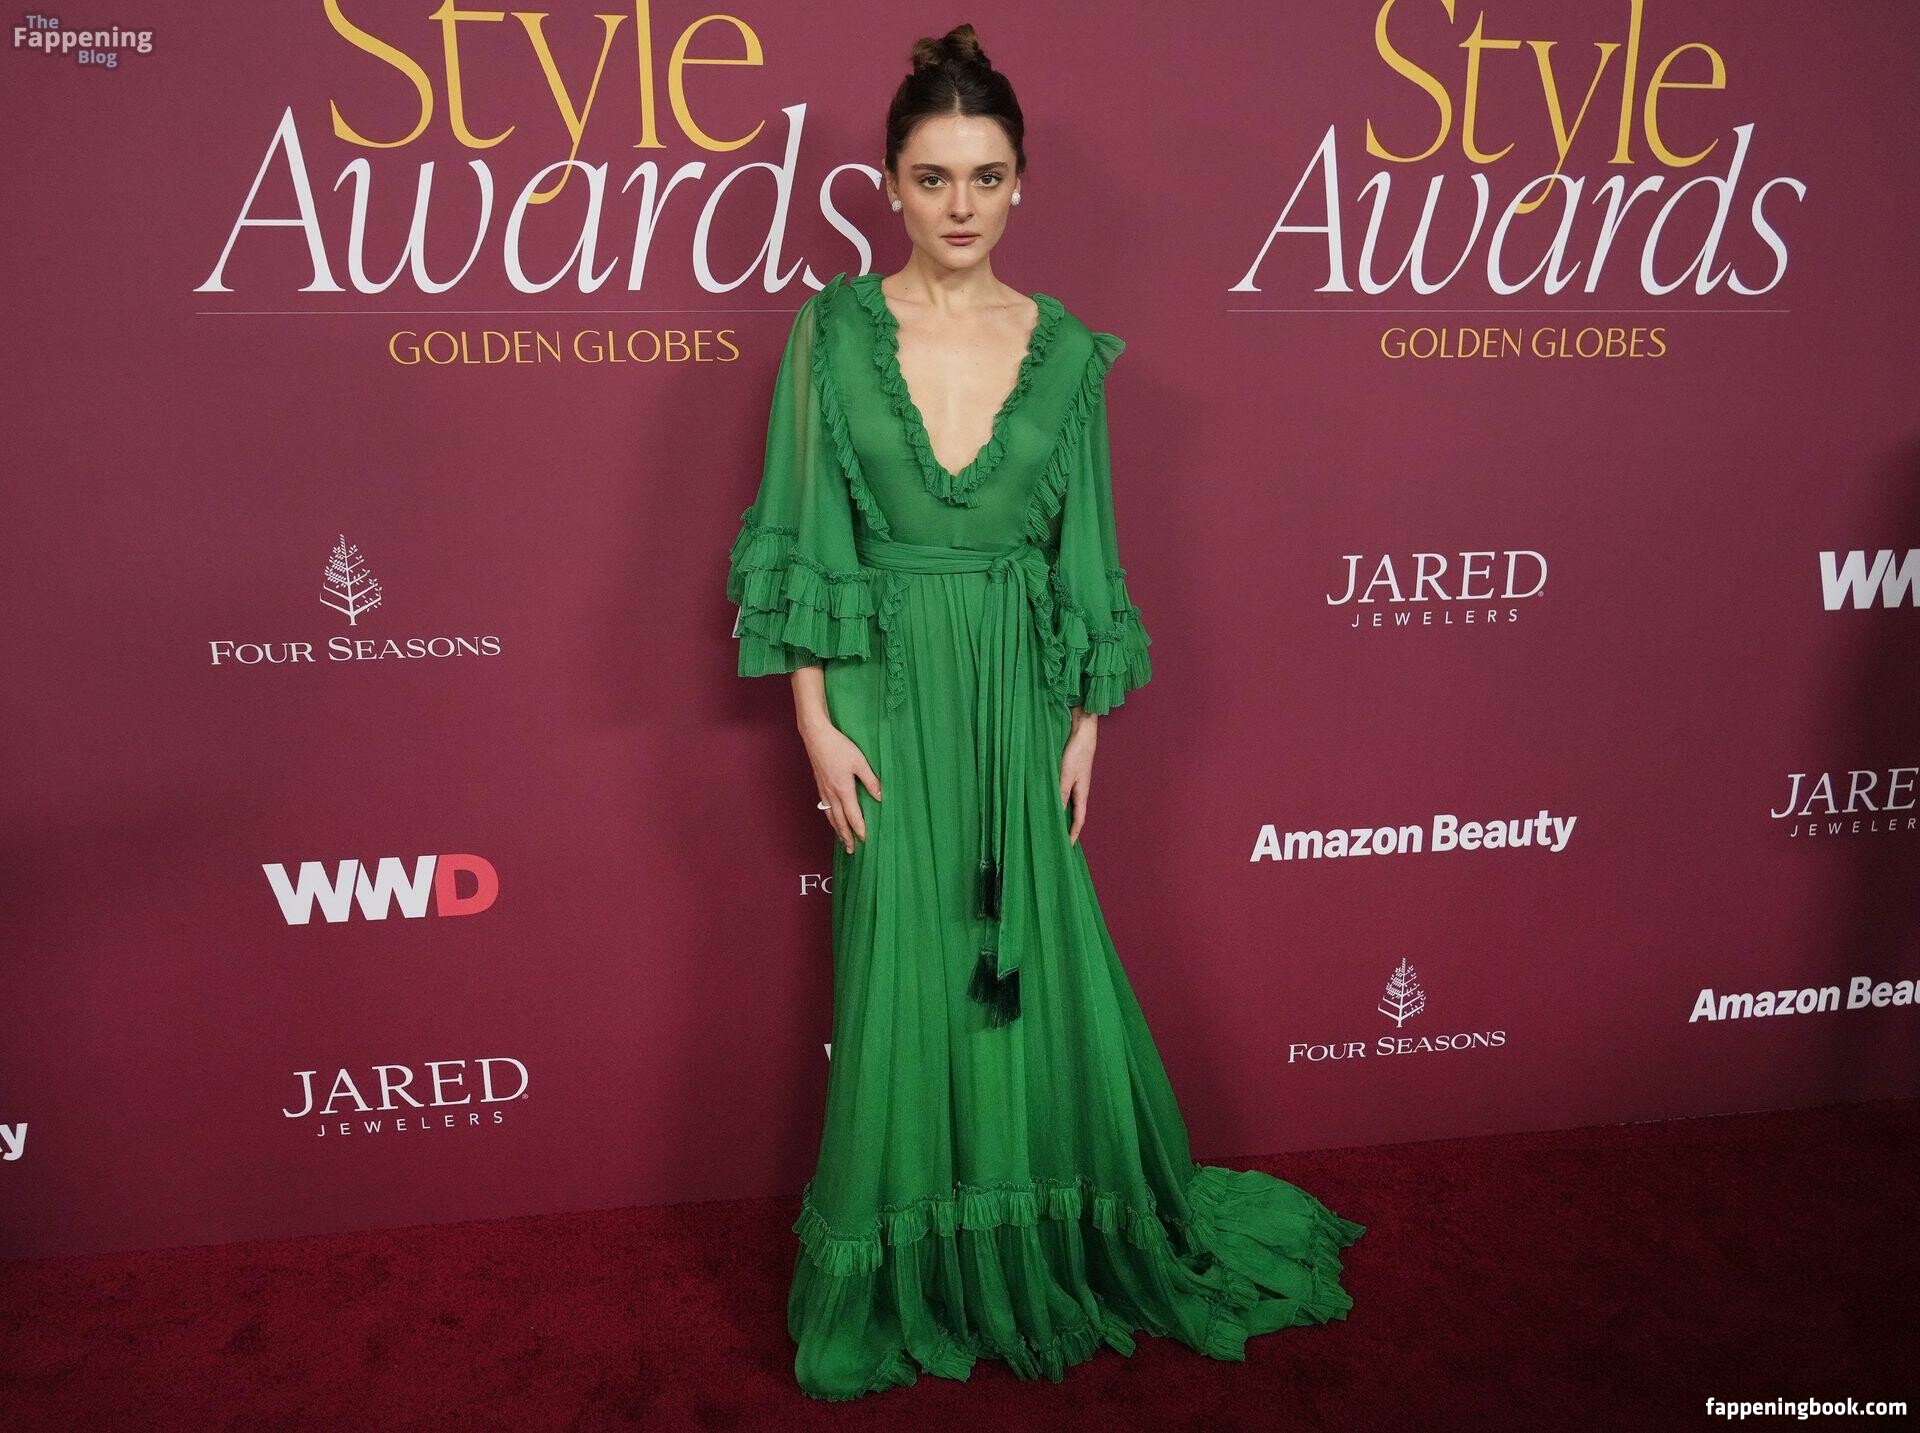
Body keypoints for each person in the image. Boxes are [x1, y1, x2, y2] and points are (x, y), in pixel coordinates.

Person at [724, 22, 1366, 1403]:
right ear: (888, 186)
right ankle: (916, 1265)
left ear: (1021, 184)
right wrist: (813, 720)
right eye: (932, 176)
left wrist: (1084, 725)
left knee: (1010, 963)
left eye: (986, 176)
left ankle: (1034, 1238)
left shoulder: (1067, 352)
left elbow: (1087, 551)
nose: (960, 205)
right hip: (885, 688)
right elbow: (802, 529)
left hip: (1019, 694)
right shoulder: (830, 332)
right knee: (905, 967)